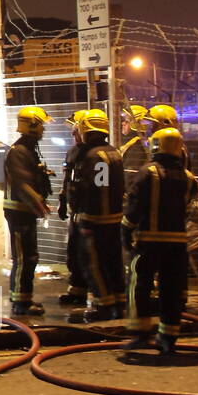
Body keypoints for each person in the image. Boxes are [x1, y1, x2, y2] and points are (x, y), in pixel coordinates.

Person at [123, 128, 198, 354]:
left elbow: (135, 205)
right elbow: (187, 209)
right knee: (171, 290)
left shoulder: (148, 172)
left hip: (149, 241)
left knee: (140, 285)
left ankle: (140, 332)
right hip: (178, 243)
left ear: (156, 145)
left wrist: (126, 230)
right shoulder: (189, 178)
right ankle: (168, 337)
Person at [70, 109, 126, 321]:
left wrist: (87, 214)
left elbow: (99, 187)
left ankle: (103, 305)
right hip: (114, 218)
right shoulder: (112, 151)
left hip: (96, 220)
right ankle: (119, 301)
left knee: (93, 262)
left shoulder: (96, 156)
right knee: (113, 262)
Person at [4, 106, 53, 316]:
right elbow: (23, 184)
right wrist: (38, 204)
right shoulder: (19, 152)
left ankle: (23, 298)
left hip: (25, 211)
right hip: (19, 212)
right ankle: (20, 303)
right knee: (24, 258)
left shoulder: (28, 149)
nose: (43, 129)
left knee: (29, 256)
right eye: (41, 125)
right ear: (32, 125)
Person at [58, 111, 89, 307]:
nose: (73, 134)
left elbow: (99, 186)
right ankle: (76, 289)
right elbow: (67, 180)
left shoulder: (95, 154)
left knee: (89, 254)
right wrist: (62, 200)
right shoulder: (72, 152)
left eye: (75, 130)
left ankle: (95, 293)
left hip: (89, 214)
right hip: (75, 212)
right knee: (73, 252)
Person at [119, 105, 150, 187]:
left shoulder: (137, 147)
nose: (123, 123)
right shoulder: (141, 142)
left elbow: (130, 177)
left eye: (126, 121)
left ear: (136, 124)